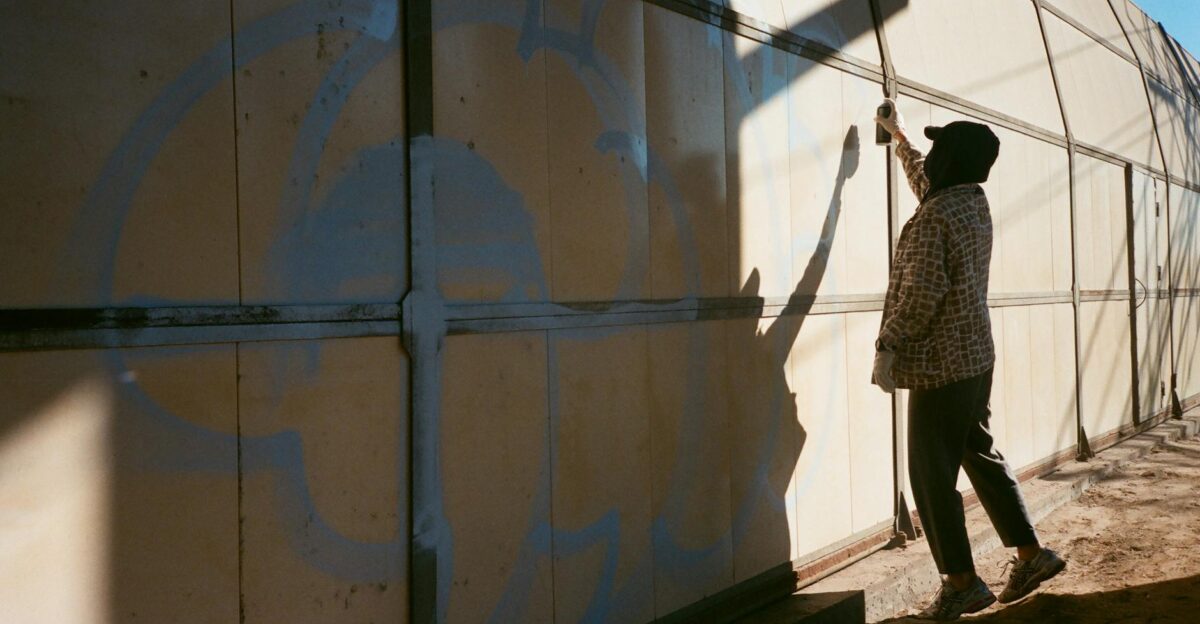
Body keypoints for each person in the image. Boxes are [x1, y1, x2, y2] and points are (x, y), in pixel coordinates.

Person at [871, 99, 1066, 620]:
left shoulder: (936, 217)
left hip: (940, 367)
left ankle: (961, 582)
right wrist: (900, 137)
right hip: (976, 357)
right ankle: (1031, 554)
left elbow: (920, 294)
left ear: (950, 161)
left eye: (937, 150)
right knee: (977, 450)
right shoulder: (970, 201)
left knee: (930, 476)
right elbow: (927, 180)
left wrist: (887, 345)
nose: (929, 158)